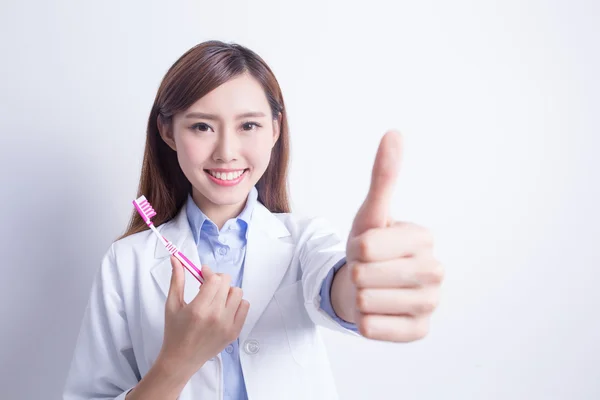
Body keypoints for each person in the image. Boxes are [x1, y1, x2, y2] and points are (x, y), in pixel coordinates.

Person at [63, 40, 443, 400]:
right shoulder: (126, 262)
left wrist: (362, 288)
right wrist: (176, 363)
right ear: (168, 132)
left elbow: (332, 285)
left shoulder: (304, 240)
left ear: (275, 129)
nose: (227, 152)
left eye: (249, 125)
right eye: (201, 126)